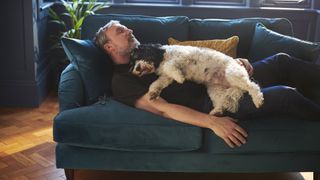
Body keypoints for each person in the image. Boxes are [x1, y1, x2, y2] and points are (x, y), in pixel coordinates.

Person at [94, 20, 320, 148]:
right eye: (120, 31)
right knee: (285, 95)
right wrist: (212, 122)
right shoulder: (122, 80)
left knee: (281, 61)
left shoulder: (151, 52)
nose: (130, 31)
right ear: (109, 47)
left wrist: (234, 63)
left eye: (126, 28)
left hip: (218, 76)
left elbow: (196, 59)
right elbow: (163, 109)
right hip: (213, 100)